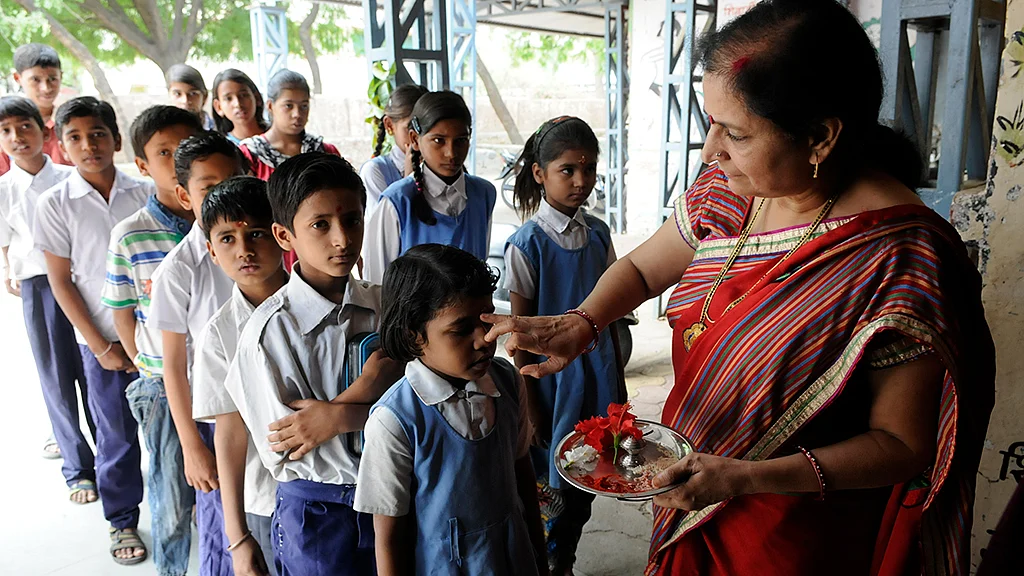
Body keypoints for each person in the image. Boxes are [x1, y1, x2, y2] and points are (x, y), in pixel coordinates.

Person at [484, 2, 996, 575]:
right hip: (689, 489)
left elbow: (902, 445)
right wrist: (582, 321)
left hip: (792, 532)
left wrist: (746, 477)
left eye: (736, 132)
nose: (711, 150)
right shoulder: (727, 188)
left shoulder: (899, 255)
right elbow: (642, 270)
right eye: (712, 124)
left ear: (821, 136)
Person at [226, 152, 401, 575]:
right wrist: (362, 397)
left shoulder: (387, 306)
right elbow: (290, 445)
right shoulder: (269, 335)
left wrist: (336, 418)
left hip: (394, 496)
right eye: (320, 225)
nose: (341, 239)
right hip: (319, 513)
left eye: (352, 220)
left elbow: (420, 409)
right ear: (285, 236)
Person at [354, 243, 549, 576]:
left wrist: (540, 560)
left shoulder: (507, 382)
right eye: (460, 330)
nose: (484, 339)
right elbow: (388, 539)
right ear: (414, 336)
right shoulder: (395, 421)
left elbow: (522, 474)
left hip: (513, 559)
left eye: (487, 321)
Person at [34, 96, 151, 565]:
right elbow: (61, 281)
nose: (89, 145)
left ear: (116, 139)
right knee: (116, 435)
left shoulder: (142, 192)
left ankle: (183, 508)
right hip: (100, 340)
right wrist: (100, 346)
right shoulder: (55, 203)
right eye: (76, 138)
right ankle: (122, 518)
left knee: (174, 429)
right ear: (61, 146)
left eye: (98, 134)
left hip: (151, 337)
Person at [504, 116, 624, 575]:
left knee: (592, 472)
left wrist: (619, 382)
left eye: (588, 169)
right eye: (567, 171)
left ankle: (564, 556)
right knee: (552, 482)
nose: (580, 181)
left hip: (598, 373)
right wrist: (530, 403)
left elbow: (609, 313)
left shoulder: (598, 234)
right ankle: (551, 560)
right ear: (540, 174)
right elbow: (521, 337)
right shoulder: (527, 243)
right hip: (552, 385)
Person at [101, 105, 203, 576]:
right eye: (165, 152)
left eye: (186, 148)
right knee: (173, 493)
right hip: (163, 385)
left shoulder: (222, 229)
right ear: (142, 165)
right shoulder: (131, 235)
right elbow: (123, 312)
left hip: (219, 381)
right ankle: (173, 568)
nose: (177, 159)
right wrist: (147, 364)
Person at [147, 131, 249, 576]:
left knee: (259, 522)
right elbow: (173, 365)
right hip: (210, 421)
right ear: (184, 196)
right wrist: (191, 445)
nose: (224, 195)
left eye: (233, 182)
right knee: (222, 533)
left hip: (260, 410)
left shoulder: (265, 249)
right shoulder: (179, 269)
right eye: (209, 188)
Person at [192, 177, 287, 576]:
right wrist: (238, 537)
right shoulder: (219, 334)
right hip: (265, 502)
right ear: (212, 252)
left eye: (257, 234)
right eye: (227, 239)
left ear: (283, 235)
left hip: (337, 489)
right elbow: (229, 436)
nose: (244, 250)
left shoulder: (322, 303)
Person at [0, 95, 89, 487]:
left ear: (43, 130)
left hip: (81, 282)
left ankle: (109, 456)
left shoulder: (71, 178)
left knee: (93, 370)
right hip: (38, 287)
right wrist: (8, 271)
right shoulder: (4, 190)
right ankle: (77, 468)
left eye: (24, 126)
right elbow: (6, 242)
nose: (16, 136)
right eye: (5, 131)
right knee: (55, 376)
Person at [362, 90, 495, 284]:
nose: (451, 153)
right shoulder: (396, 202)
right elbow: (377, 285)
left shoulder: (484, 194)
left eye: (460, 141)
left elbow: (481, 264)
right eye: (438, 140)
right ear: (415, 140)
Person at [238, 69, 340, 181]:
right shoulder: (251, 155)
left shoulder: (325, 152)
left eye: (304, 106)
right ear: (270, 106)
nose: (297, 114)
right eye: (288, 106)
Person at [1, 43, 72, 178]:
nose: (46, 88)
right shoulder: (6, 127)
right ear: (18, 78)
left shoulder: (71, 123)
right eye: (35, 79)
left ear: (61, 76)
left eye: (52, 79)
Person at [359, 84, 428, 215]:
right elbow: (384, 230)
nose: (417, 136)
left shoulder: (440, 167)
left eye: (425, 127)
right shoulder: (375, 171)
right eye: (410, 127)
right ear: (389, 125)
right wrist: (408, 181)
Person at [211, 69, 268, 145]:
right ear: (218, 107)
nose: (237, 103)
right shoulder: (222, 148)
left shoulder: (278, 135)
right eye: (228, 98)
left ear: (256, 98)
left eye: (243, 95)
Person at [167, 63, 216, 131]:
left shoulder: (219, 132)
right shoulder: (164, 134)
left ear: (204, 96)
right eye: (178, 94)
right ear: (169, 96)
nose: (185, 101)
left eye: (193, 94)